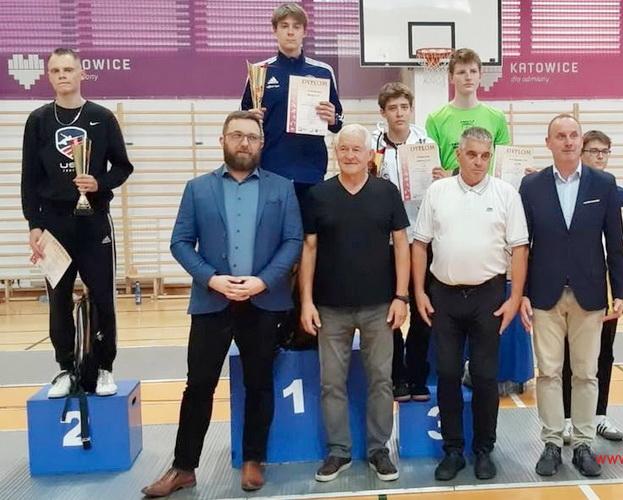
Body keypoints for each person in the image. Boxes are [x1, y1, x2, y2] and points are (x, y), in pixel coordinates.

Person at [141, 111, 302, 497]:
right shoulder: (198, 189)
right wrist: (211, 278)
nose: (244, 142)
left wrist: (263, 281)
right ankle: (183, 467)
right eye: (236, 135)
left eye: (251, 137)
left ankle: (253, 460)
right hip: (211, 302)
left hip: (263, 302)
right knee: (198, 385)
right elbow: (180, 242)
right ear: (222, 141)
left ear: (262, 143)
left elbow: (293, 241)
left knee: (259, 384)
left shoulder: (282, 188)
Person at [412, 127, 529, 481]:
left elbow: (519, 249)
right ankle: (452, 450)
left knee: (485, 375)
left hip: (488, 297)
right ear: (459, 155)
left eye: (485, 155)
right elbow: (420, 244)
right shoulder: (438, 192)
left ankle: (483, 449)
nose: (479, 161)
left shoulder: (506, 193)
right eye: (472, 154)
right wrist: (419, 292)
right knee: (447, 373)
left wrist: (515, 297)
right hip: (444, 296)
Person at [519, 114, 623, 478]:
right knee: (548, 372)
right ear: (548, 143)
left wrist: (620, 290)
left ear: (581, 141)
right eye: (560, 136)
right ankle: (551, 442)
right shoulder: (531, 186)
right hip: (544, 292)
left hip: (590, 291)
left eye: (573, 135)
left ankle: (583, 444)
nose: (568, 141)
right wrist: (522, 293)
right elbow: (523, 245)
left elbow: (615, 242)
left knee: (586, 373)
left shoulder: (604, 183)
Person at [21, 48, 134, 398]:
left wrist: (99, 183)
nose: (62, 75)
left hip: (94, 222)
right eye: (56, 70)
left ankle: (103, 368)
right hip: (54, 225)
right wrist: (34, 224)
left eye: (68, 69)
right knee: (58, 299)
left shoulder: (101, 117)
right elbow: (29, 178)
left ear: (81, 73)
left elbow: (123, 167)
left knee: (102, 296)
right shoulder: (38, 120)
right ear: (48, 76)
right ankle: (65, 368)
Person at [300, 124, 409, 483]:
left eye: (355, 149)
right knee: (331, 382)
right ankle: (339, 451)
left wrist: (401, 296)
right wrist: (306, 302)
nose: (349, 155)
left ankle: (379, 449)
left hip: (380, 306)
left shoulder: (386, 192)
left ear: (368, 154)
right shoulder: (318, 195)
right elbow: (309, 249)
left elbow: (402, 245)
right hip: (330, 308)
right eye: (343, 149)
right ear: (336, 153)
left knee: (381, 380)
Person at [560, 130, 623, 444]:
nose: (600, 156)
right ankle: (566, 417)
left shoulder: (618, 193)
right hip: (573, 281)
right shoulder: (568, 188)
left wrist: (620, 287)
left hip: (604, 281)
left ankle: (599, 415)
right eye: (594, 151)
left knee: (604, 351)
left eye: (605, 151)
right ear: (581, 153)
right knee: (569, 352)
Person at [371, 82, 441, 402]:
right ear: (383, 112)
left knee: (424, 308)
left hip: (422, 237)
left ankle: (417, 375)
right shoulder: (373, 145)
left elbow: (439, 189)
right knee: (391, 310)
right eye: (392, 108)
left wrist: (442, 177)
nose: (399, 113)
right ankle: (397, 375)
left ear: (411, 109)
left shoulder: (426, 143)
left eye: (404, 107)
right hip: (385, 241)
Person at [241, 2, 344, 208]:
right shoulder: (259, 72)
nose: (290, 32)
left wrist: (332, 118)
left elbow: (338, 123)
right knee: (274, 227)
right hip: (271, 168)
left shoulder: (323, 71)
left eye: (296, 27)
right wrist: (250, 118)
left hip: (311, 170)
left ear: (304, 32)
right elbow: (241, 121)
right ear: (274, 30)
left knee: (309, 228)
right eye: (284, 26)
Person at [425, 48, 510, 174]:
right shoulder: (435, 119)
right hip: (450, 185)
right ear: (451, 77)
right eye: (461, 72)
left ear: (480, 75)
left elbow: (504, 166)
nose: (468, 77)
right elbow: (432, 168)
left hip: (487, 185)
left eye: (473, 71)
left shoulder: (497, 117)